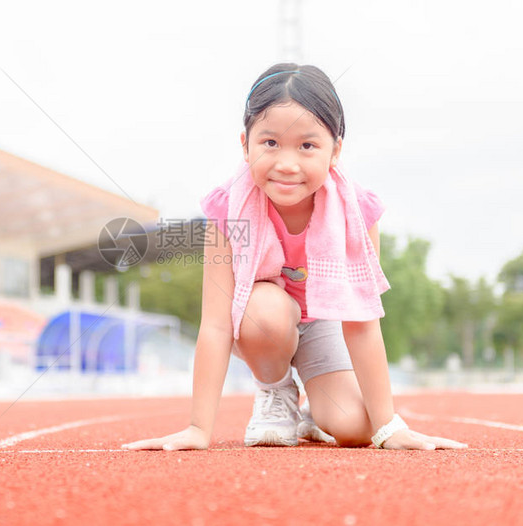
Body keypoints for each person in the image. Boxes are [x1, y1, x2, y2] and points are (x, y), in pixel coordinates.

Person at [122, 63, 467, 451]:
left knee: (355, 430)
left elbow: (362, 322)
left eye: (307, 145)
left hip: (323, 322)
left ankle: (312, 414)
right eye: (270, 143)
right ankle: (275, 391)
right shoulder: (226, 211)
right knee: (268, 310)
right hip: (260, 321)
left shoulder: (358, 213)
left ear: (335, 151)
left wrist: (388, 427)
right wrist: (198, 430)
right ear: (245, 144)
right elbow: (216, 325)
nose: (287, 164)